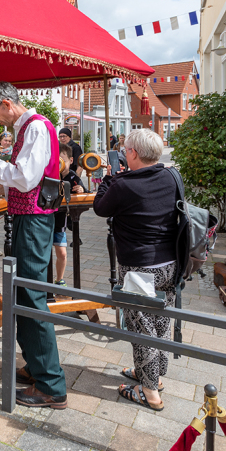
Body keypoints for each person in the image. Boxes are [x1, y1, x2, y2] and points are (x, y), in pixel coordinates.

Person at [0, 81, 67, 409]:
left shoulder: (35, 128)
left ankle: (51, 383)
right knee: (22, 293)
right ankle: (38, 366)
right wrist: (0, 191)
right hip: (29, 218)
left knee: (31, 296)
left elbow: (26, 177)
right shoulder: (30, 128)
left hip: (33, 222)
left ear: (6, 103)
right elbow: (25, 181)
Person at [93, 129, 178, 411]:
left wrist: (108, 178)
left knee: (141, 325)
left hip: (139, 267)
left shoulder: (123, 185)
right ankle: (154, 375)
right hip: (170, 263)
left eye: (125, 149)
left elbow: (101, 208)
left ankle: (149, 391)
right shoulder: (170, 176)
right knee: (162, 321)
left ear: (132, 153)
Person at [52, 143, 84, 287]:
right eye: (56, 158)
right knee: (44, 253)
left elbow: (85, 191)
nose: (59, 162)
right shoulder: (49, 175)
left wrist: (81, 189)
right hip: (45, 220)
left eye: (62, 159)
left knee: (62, 254)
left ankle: (59, 279)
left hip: (61, 221)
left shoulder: (73, 177)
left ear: (71, 160)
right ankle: (43, 282)